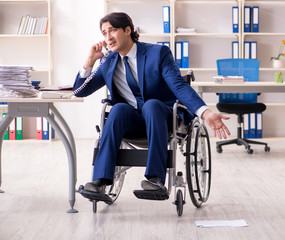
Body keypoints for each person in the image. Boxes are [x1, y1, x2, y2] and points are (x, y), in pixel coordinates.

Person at [73, 12, 230, 195]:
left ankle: (155, 180)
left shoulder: (158, 53)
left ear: (128, 30)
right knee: (118, 109)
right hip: (132, 122)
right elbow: (79, 91)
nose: (108, 37)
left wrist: (205, 113)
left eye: (112, 30)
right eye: (104, 33)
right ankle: (100, 181)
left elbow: (179, 86)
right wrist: (90, 61)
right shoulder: (108, 61)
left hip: (161, 118)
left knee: (152, 105)